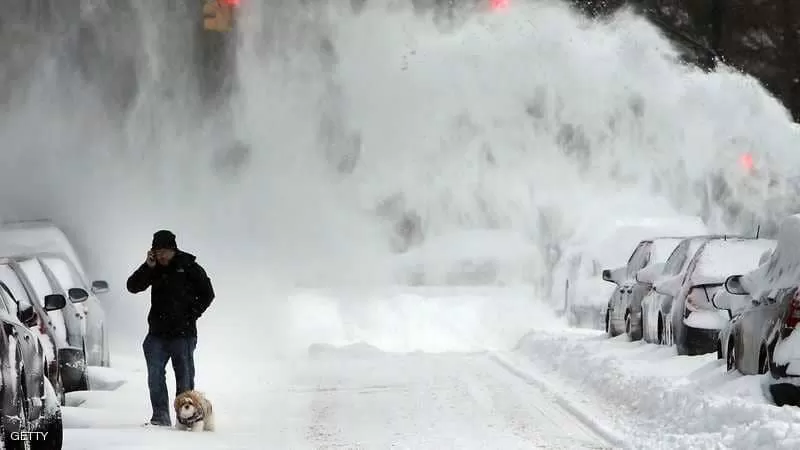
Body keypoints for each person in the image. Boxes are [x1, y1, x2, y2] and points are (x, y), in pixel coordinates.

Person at [127, 230, 215, 427]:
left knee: (184, 377)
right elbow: (132, 286)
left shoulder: (189, 267)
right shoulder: (153, 268)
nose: (162, 256)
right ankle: (160, 417)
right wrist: (147, 267)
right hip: (157, 334)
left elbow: (208, 293)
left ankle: (185, 419)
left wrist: (192, 313)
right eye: (158, 252)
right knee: (155, 375)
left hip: (183, 334)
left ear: (173, 250)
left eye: (165, 251)